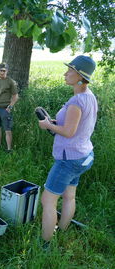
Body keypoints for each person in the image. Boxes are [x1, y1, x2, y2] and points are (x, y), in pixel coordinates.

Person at [38, 55, 97, 246]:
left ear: (80, 77)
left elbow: (69, 132)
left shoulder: (76, 102)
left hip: (68, 160)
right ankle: (62, 230)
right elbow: (78, 126)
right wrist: (56, 123)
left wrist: (48, 125)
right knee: (69, 195)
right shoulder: (89, 97)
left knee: (47, 201)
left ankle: (45, 245)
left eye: (70, 70)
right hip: (83, 156)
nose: (66, 73)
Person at [0, 63, 18, 152]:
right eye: (0, 70)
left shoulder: (10, 82)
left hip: (5, 109)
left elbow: (15, 96)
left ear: (7, 71)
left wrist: (10, 107)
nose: (2, 72)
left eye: (4, 71)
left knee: (7, 129)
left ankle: (9, 149)